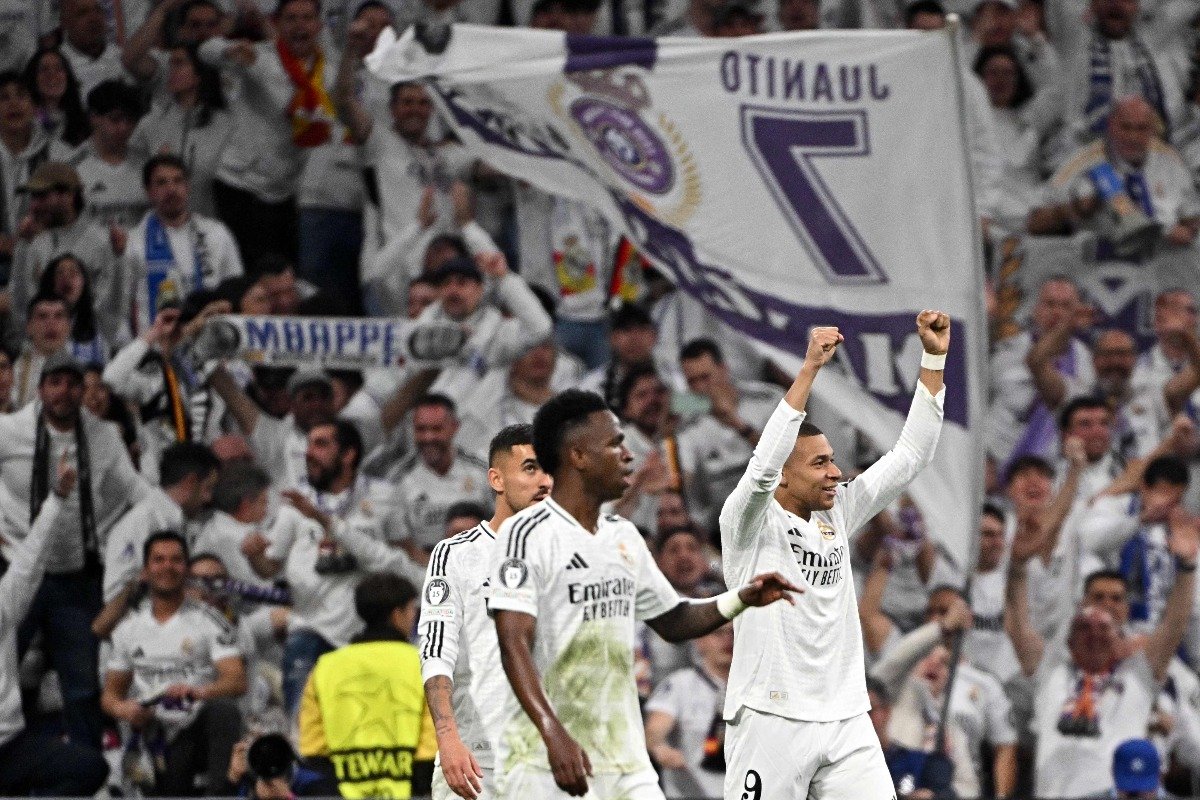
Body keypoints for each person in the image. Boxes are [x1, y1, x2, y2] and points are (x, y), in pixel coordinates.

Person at [489, 388, 798, 800]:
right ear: (578, 456)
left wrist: (741, 598)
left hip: (626, 761)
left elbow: (673, 620)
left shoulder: (624, 537)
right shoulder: (525, 534)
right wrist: (552, 732)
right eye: (615, 444)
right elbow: (513, 641)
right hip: (548, 760)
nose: (628, 455)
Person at [718, 312, 950, 800]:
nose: (836, 471)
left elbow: (911, 456)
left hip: (846, 717)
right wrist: (808, 371)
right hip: (771, 716)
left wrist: (933, 359)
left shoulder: (838, 511)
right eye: (820, 462)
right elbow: (760, 470)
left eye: (833, 459)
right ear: (784, 475)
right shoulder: (746, 523)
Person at [0, 350, 150, 748]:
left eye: (72, 384)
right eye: (55, 383)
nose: (63, 392)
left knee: (82, 684)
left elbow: (137, 491)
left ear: (83, 391)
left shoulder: (104, 435)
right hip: (16, 571)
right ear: (39, 389)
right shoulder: (8, 430)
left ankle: (88, 767)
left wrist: (172, 522)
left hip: (76, 575)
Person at [1006, 508, 1198, 798]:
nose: (1095, 632)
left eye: (1104, 628)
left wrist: (1187, 566)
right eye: (1085, 627)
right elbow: (1018, 624)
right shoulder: (1051, 671)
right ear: (1070, 637)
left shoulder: (1140, 672)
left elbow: (1174, 624)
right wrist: (1018, 566)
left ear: (1121, 626)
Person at [417, 423, 552, 800]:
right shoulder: (456, 554)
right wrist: (447, 738)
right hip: (477, 761)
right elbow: (436, 653)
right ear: (496, 479)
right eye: (530, 468)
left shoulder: (573, 557)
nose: (544, 481)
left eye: (549, 469)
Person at [101, 530, 248, 796]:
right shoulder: (128, 629)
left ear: (186, 570)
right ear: (145, 571)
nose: (167, 566)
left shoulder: (209, 621)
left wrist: (198, 692)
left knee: (223, 710)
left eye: (176, 560)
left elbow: (236, 680)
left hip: (198, 727)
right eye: (159, 560)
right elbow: (110, 696)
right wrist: (125, 709)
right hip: (156, 734)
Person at [0, 449, 109, 795]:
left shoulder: (2, 603)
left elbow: (29, 561)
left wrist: (58, 498)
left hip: (9, 748)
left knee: (89, 767)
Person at [298, 572, 437, 798]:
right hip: (411, 792)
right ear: (397, 614)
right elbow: (433, 736)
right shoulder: (423, 664)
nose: (414, 616)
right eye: (412, 609)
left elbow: (313, 747)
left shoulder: (325, 667)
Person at [1028, 96, 1200, 256]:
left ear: (1152, 129)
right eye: (1126, 127)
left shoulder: (1169, 160)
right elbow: (1034, 224)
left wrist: (1186, 232)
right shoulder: (1083, 162)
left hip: (1161, 260)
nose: (1133, 137)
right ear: (1111, 126)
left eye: (1142, 128)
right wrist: (1076, 208)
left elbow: (1191, 218)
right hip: (1100, 264)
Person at [8, 160, 127, 345]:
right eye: (33, 198)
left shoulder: (101, 243)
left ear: (69, 196)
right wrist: (22, 248)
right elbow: (21, 311)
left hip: (88, 348)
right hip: (41, 348)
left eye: (41, 196)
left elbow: (111, 316)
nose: (33, 206)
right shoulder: (34, 242)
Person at [123, 153, 242, 335]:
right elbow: (122, 305)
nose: (171, 189)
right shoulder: (133, 242)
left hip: (211, 340)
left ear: (187, 187)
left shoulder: (216, 233)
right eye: (162, 183)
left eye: (178, 181)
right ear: (148, 191)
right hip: (156, 343)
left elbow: (236, 291)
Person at [101, 441, 220, 605]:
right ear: (190, 482)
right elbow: (114, 595)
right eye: (208, 488)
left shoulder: (186, 523)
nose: (208, 498)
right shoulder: (138, 524)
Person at [127, 44, 233, 217]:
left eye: (179, 63)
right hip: (159, 223)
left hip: (207, 222)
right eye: (170, 64)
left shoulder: (224, 124)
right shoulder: (151, 123)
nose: (171, 70)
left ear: (199, 74)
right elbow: (133, 173)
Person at [389, 393, 493, 563]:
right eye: (421, 429)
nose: (428, 437)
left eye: (436, 429)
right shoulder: (397, 479)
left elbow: (503, 524)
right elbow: (399, 541)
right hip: (423, 567)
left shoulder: (482, 472)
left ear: (454, 427)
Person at [643, 623, 733, 800]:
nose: (728, 640)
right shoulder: (679, 684)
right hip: (691, 793)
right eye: (718, 633)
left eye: (733, 633)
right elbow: (654, 732)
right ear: (700, 641)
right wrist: (660, 748)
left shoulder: (755, 686)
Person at [66, 80, 146, 229]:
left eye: (130, 120)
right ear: (94, 117)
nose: (124, 127)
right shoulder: (70, 167)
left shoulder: (146, 164)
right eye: (115, 119)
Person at [36, 253, 107, 365]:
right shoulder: (36, 320)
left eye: (74, 272)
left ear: (84, 283)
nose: (66, 278)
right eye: (60, 273)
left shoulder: (99, 323)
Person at [11, 292, 73, 408]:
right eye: (43, 316)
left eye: (59, 316)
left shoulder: (84, 368)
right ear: (29, 327)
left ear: (69, 326)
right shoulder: (15, 371)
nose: (51, 324)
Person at [21, 47, 91, 149]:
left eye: (59, 69)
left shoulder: (83, 122)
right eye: (44, 69)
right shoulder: (21, 118)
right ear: (33, 78)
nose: (52, 75)